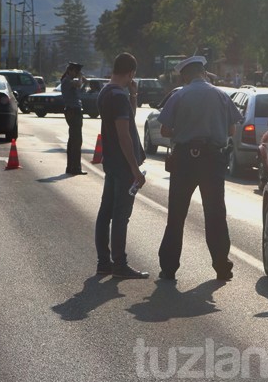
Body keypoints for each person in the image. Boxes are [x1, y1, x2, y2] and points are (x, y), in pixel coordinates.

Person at [157, 55, 243, 282]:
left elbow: (165, 130)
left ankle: (168, 268)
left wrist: (185, 131)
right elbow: (232, 130)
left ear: (185, 75)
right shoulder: (222, 95)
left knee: (176, 215)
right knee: (215, 215)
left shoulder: (179, 95)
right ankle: (221, 266)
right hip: (213, 161)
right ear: (204, 72)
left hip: (184, 160)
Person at [94, 52, 148, 279]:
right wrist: (135, 169)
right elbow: (124, 135)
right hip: (124, 165)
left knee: (106, 212)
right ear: (131, 73)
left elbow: (128, 118)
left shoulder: (107, 91)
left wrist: (133, 96)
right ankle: (119, 264)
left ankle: (104, 262)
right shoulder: (118, 96)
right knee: (120, 215)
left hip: (111, 162)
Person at [61, 61, 87, 175]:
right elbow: (77, 84)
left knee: (73, 139)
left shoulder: (70, 81)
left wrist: (83, 82)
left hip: (74, 110)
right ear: (70, 70)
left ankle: (71, 167)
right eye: (76, 71)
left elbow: (80, 89)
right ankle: (75, 168)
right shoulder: (67, 81)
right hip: (73, 111)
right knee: (76, 140)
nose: (77, 74)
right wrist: (81, 78)